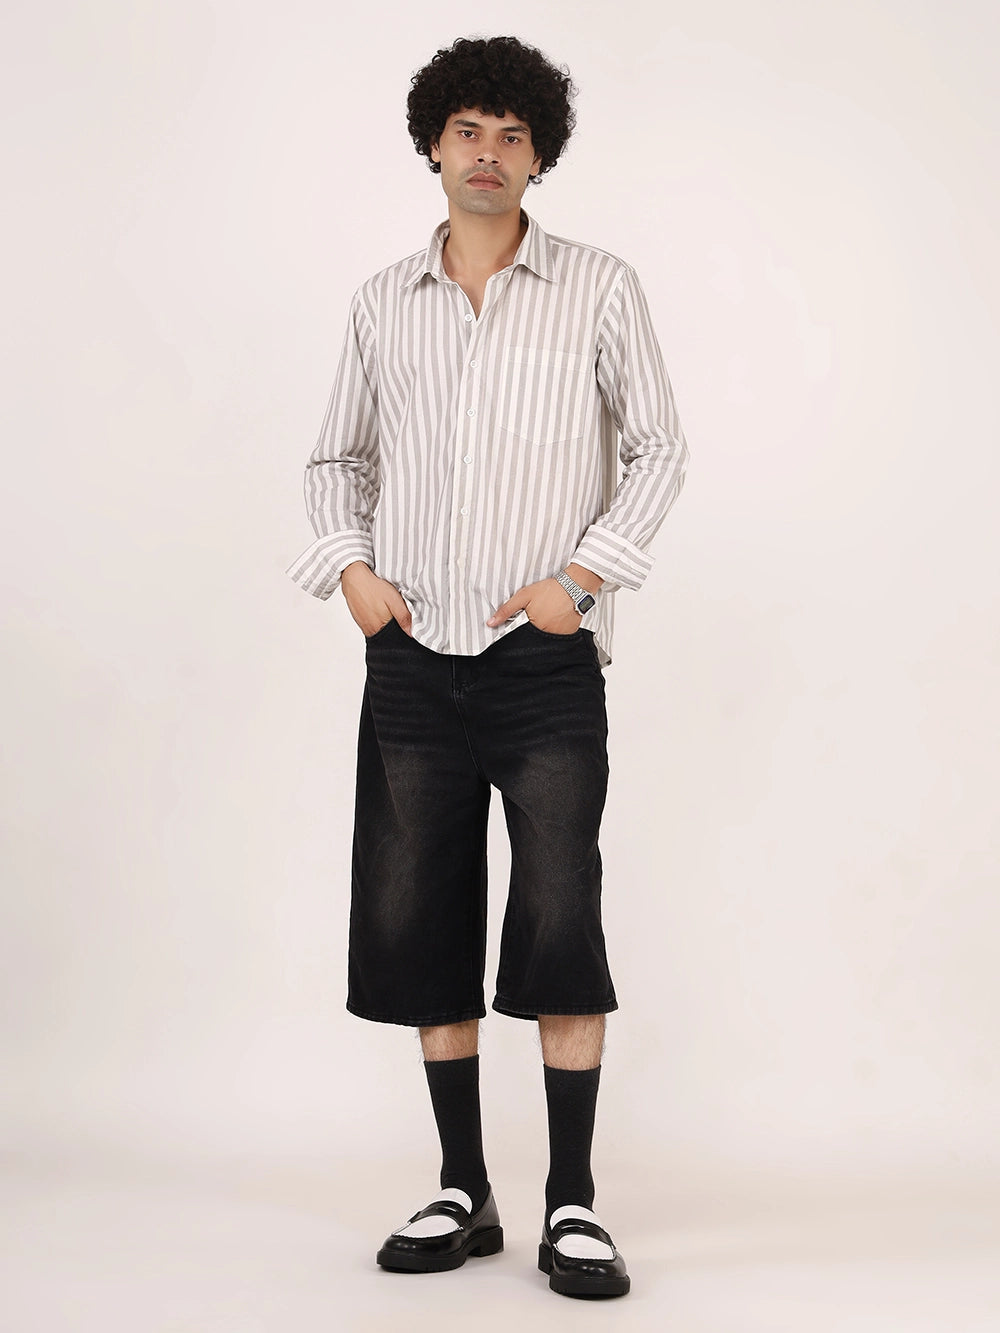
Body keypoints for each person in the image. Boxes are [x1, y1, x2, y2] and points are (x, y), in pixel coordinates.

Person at [286, 34, 689, 1300]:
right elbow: (334, 459)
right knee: (420, 914)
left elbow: (660, 448)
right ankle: (464, 1185)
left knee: (561, 910)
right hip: (411, 660)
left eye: (513, 135)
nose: (488, 154)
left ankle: (573, 1201)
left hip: (542, 662)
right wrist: (351, 575)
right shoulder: (380, 303)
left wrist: (582, 581)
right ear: (433, 143)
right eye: (468, 129)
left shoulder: (600, 288)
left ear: (538, 157)